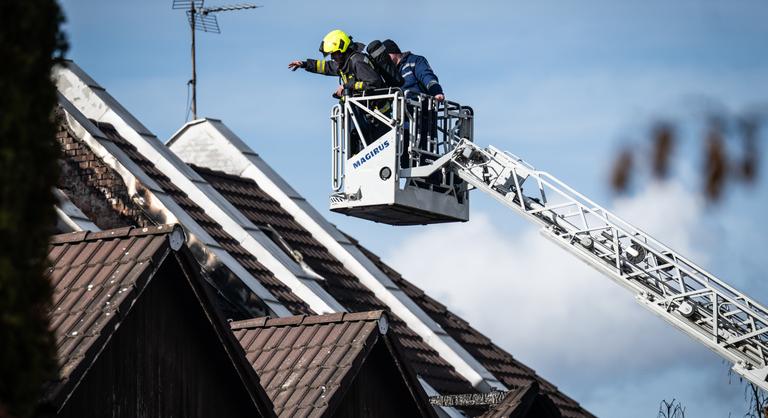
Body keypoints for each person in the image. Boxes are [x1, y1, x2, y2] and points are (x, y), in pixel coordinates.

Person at [288, 29, 387, 154]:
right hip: (365, 117)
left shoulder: (358, 62)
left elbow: (374, 83)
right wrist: (304, 64)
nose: (333, 57)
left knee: (367, 152)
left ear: (342, 49)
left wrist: (348, 86)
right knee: (357, 150)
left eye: (334, 54)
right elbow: (326, 67)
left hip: (378, 118)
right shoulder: (345, 62)